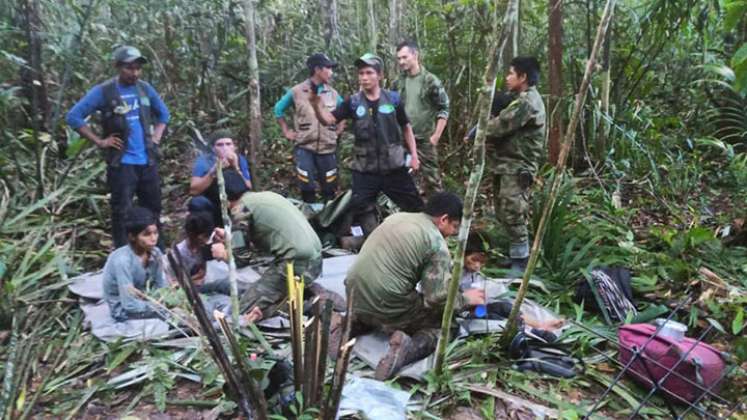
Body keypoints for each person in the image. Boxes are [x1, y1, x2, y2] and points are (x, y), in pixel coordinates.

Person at [342, 192, 486, 380]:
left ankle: (350, 324)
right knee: (446, 327)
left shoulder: (398, 217)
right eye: (454, 227)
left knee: (382, 300)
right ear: (444, 219)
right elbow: (436, 298)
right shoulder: (435, 243)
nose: (452, 234)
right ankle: (407, 349)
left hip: (353, 294)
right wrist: (466, 298)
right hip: (386, 303)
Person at [66, 45, 170, 248]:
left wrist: (156, 137)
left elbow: (164, 114)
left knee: (153, 209)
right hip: (122, 164)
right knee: (121, 211)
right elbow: (74, 116)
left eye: (138, 68)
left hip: (147, 161)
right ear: (117, 67)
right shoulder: (104, 92)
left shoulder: (144, 89)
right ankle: (124, 256)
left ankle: (158, 255)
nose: (135, 73)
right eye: (129, 68)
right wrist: (99, 141)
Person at [310, 53, 424, 235]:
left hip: (394, 166)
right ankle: (374, 240)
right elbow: (329, 120)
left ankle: (420, 239)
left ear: (379, 76)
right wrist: (316, 105)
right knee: (361, 207)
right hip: (365, 169)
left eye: (369, 73)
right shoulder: (353, 102)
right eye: (361, 73)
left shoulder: (393, 99)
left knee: (415, 207)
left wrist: (414, 156)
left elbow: (406, 127)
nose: (364, 77)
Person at [210, 175, 323, 323]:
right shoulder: (265, 197)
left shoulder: (240, 209)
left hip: (296, 265)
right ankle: (294, 300)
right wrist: (230, 238)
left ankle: (302, 305)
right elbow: (267, 235)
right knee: (265, 296)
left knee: (242, 311)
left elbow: (241, 260)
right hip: (315, 261)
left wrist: (223, 253)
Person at [486, 56, 546, 273]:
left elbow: (498, 126)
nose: (507, 77)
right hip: (506, 164)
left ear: (523, 77)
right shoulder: (518, 99)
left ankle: (521, 262)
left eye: (511, 73)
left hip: (518, 166)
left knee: (513, 210)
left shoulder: (526, 103)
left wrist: (481, 128)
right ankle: (515, 255)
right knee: (503, 210)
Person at [274, 53, 345, 203]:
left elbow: (343, 112)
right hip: (305, 147)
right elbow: (278, 109)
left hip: (327, 148)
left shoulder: (333, 94)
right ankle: (308, 218)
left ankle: (328, 220)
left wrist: (338, 131)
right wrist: (286, 131)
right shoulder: (297, 92)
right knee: (306, 185)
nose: (331, 72)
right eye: (329, 68)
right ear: (318, 70)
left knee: (329, 186)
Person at [395, 40, 450, 196]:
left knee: (432, 180)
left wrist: (436, 136)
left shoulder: (430, 81)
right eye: (399, 58)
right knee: (402, 179)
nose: (401, 62)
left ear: (415, 55)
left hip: (425, 139)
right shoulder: (398, 82)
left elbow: (444, 108)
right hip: (403, 140)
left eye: (404, 57)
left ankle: (438, 216)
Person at [102, 207, 166, 321]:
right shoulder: (122, 261)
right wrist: (158, 307)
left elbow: (160, 285)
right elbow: (129, 304)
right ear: (132, 237)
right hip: (123, 308)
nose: (153, 238)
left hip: (147, 299)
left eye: (155, 233)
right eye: (147, 234)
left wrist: (163, 299)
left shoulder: (156, 253)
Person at [188, 130, 252, 225]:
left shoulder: (239, 159)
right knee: (197, 203)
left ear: (234, 147)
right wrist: (213, 172)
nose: (225, 148)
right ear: (213, 148)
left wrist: (236, 167)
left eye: (228, 144)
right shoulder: (204, 161)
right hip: (213, 201)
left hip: (236, 201)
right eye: (220, 145)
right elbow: (193, 190)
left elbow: (249, 187)